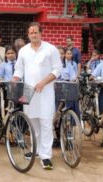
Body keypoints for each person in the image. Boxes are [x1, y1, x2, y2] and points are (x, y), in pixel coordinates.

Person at [13, 22, 63, 170]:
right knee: (33, 123)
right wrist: (15, 79)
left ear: (41, 33)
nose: (33, 35)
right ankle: (36, 150)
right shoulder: (23, 51)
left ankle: (46, 156)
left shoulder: (50, 49)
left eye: (36, 32)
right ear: (28, 35)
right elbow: (19, 69)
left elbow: (57, 69)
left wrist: (43, 82)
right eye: (31, 33)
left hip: (46, 92)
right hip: (29, 92)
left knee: (46, 123)